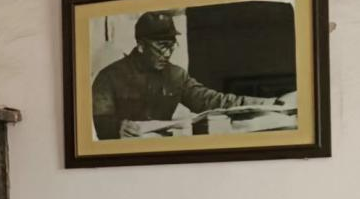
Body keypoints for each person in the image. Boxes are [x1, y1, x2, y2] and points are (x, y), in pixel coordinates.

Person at [92, 11, 290, 139]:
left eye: (171, 46)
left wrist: (271, 103)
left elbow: (213, 101)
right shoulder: (108, 77)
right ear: (141, 46)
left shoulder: (175, 75)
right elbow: (97, 122)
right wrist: (117, 128)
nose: (167, 54)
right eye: (161, 47)